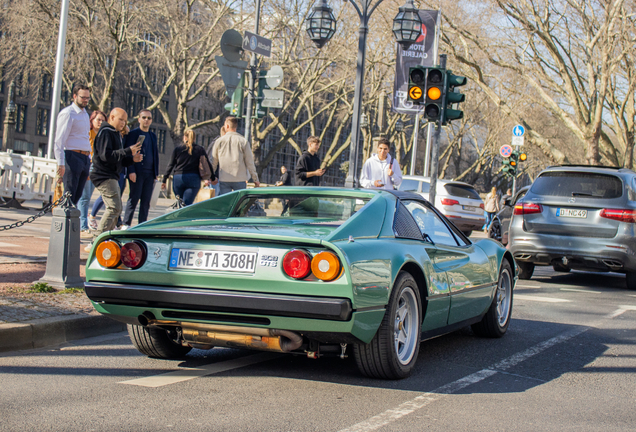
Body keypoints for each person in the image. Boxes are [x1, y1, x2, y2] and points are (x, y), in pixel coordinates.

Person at [88, 108, 142, 250]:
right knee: (113, 208)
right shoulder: (106, 132)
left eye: (125, 120)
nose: (123, 123)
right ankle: (97, 241)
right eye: (121, 120)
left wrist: (132, 159)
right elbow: (107, 156)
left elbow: (117, 160)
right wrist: (128, 151)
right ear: (111, 117)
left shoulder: (115, 133)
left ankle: (106, 239)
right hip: (103, 175)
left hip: (110, 174)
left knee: (116, 209)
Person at [54, 84, 92, 205]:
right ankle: (64, 222)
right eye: (83, 97)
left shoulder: (85, 114)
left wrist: (89, 160)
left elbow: (86, 137)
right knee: (69, 194)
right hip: (72, 156)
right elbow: (59, 140)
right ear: (74, 96)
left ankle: (71, 222)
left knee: (77, 195)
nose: (85, 100)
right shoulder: (68, 113)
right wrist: (60, 163)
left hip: (85, 158)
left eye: (87, 98)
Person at [121, 109, 159, 228]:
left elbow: (155, 154)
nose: (146, 120)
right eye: (144, 117)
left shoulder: (153, 136)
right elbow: (128, 154)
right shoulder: (133, 134)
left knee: (146, 201)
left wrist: (155, 173)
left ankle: (142, 225)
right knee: (133, 198)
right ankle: (126, 223)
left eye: (149, 118)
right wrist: (131, 170)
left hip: (150, 173)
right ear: (139, 119)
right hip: (137, 172)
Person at [162, 129, 216, 206]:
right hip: (193, 179)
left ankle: (179, 216)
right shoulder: (199, 149)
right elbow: (207, 164)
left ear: (184, 137)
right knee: (186, 205)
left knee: (180, 204)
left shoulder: (178, 149)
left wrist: (164, 180)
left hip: (178, 178)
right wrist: (213, 178)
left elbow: (170, 165)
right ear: (194, 138)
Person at [212, 117, 260, 195]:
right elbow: (249, 162)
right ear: (235, 127)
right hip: (240, 178)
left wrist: (212, 177)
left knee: (225, 202)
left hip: (224, 177)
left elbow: (213, 161)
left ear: (227, 126)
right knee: (240, 202)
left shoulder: (219, 141)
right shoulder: (243, 141)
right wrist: (255, 178)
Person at [78, 110, 106, 232]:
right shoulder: (87, 133)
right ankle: (82, 225)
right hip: (87, 165)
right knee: (84, 197)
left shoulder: (102, 135)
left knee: (92, 196)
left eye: (103, 120)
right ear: (92, 120)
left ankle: (86, 220)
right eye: (98, 119)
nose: (100, 122)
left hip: (98, 167)